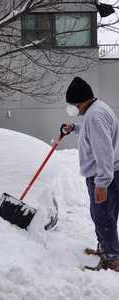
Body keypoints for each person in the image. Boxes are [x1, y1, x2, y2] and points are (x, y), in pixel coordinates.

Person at [64, 76, 119, 271]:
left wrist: (102, 183)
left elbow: (103, 150)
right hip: (109, 173)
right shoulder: (98, 109)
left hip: (102, 175)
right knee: (107, 215)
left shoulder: (95, 116)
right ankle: (106, 249)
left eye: (73, 104)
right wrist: (75, 128)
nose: (73, 108)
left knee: (103, 217)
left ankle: (112, 259)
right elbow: (95, 133)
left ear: (79, 100)